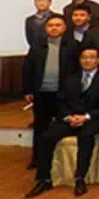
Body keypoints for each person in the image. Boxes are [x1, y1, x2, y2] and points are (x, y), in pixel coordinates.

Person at [26, 46, 99, 198]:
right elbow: (60, 102)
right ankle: (44, 179)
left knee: (86, 137)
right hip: (69, 119)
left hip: (92, 119)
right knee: (46, 137)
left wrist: (86, 117)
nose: (87, 61)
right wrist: (68, 117)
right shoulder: (70, 78)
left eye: (91, 57)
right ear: (80, 60)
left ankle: (80, 178)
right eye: (84, 57)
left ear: (98, 60)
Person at [22, 15, 80, 169]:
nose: (54, 28)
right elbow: (28, 69)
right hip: (42, 93)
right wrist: (27, 90)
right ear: (46, 28)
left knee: (63, 125)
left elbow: (77, 70)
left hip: (63, 94)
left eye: (58, 25)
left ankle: (60, 160)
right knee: (40, 126)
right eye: (50, 25)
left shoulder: (73, 45)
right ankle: (37, 159)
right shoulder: (37, 45)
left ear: (65, 27)